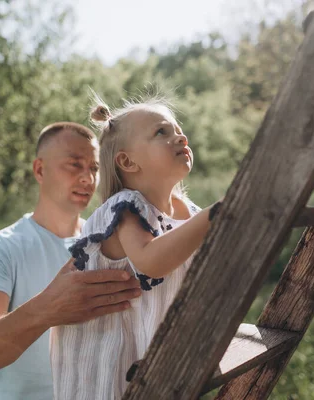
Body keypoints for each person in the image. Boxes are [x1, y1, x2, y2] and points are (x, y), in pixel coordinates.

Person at [0, 122, 143, 400]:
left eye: (94, 168)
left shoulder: (114, 243)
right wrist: (49, 308)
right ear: (39, 170)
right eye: (74, 164)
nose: (87, 178)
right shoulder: (0, 247)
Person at [50, 96, 216, 399]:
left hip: (154, 347)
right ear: (127, 162)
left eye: (178, 129)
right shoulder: (124, 209)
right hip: (108, 351)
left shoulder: (187, 209)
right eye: (161, 132)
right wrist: (212, 217)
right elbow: (151, 261)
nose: (180, 136)